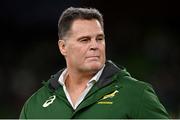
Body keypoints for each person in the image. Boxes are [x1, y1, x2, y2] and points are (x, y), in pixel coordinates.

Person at [19, 7, 169, 119]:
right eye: (84, 40)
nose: (94, 45)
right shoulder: (35, 105)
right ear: (63, 47)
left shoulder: (136, 95)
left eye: (99, 39)